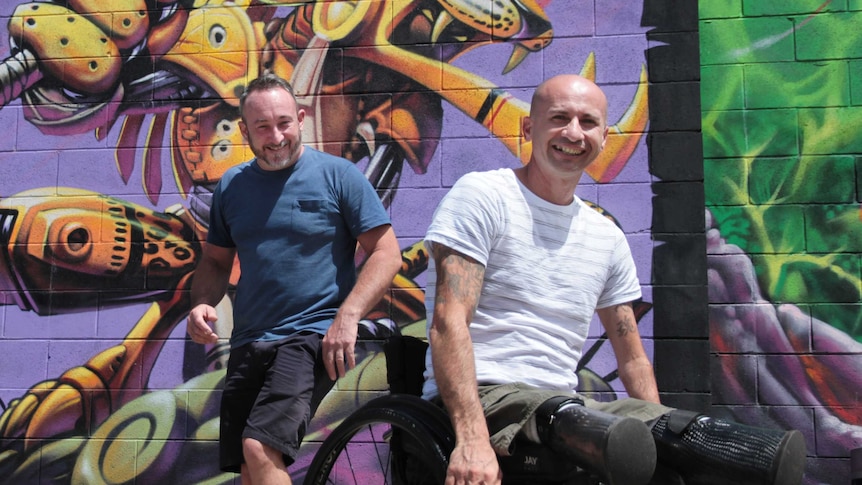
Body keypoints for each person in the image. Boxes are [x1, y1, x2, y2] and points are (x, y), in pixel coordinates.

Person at [421, 74, 806, 485]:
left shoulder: (605, 236)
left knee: (688, 436)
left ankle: (759, 456)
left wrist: (662, 436)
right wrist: (472, 440)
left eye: (587, 122)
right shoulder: (483, 196)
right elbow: (449, 321)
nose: (573, 133)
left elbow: (632, 357)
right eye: (559, 118)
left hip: (566, 405)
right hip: (486, 395)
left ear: (604, 137)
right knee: (585, 425)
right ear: (529, 128)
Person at [186, 73, 402, 484]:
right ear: (245, 130)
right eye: (263, 127)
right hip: (249, 342)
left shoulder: (339, 176)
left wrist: (348, 316)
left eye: (284, 122)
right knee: (250, 469)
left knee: (260, 448)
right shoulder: (232, 185)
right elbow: (214, 262)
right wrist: (202, 304)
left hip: (309, 337)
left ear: (301, 118)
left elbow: (386, 253)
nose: (276, 136)